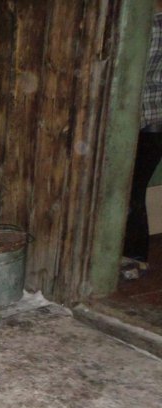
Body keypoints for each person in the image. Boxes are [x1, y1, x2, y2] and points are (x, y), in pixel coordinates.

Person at [125, 0, 162, 271]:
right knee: (133, 191)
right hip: (155, 121)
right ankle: (135, 257)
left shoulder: (149, 25)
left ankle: (134, 257)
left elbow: (136, 68)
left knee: (130, 192)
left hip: (145, 120)